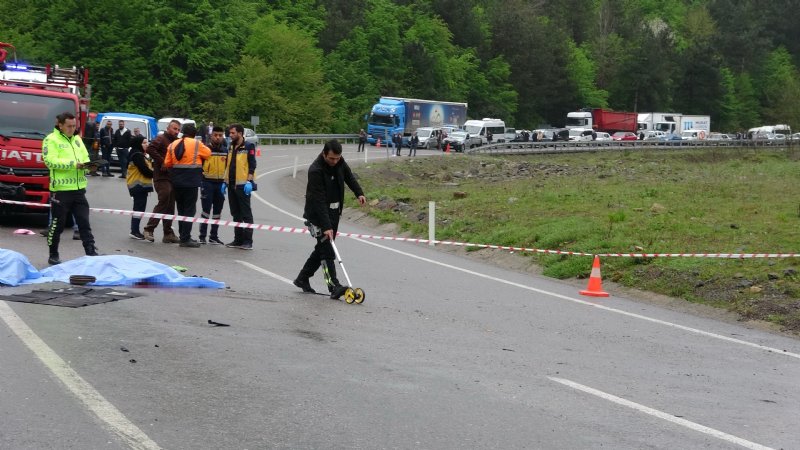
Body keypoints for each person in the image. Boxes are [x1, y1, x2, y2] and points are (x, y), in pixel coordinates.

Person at [293, 140, 367, 299]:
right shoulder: (315, 170)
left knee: (322, 248)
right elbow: (318, 201)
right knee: (327, 251)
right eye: (331, 158)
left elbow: (349, 176)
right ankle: (334, 286)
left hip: (334, 212)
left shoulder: (339, 162)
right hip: (317, 215)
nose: (334, 162)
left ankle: (302, 278)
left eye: (337, 158)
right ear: (324, 153)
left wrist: (359, 193)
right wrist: (326, 226)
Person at [42, 112, 99, 265]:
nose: (72, 129)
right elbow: (50, 161)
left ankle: (91, 252)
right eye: (69, 126)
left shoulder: (78, 139)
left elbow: (85, 159)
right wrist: (74, 164)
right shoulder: (50, 140)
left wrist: (89, 167)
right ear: (60, 125)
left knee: (84, 223)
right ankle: (53, 254)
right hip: (60, 190)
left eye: (74, 126)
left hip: (79, 190)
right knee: (57, 225)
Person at [163, 123, 211, 248]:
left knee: (181, 209)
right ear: (195, 134)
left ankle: (183, 236)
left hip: (176, 182)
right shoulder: (197, 144)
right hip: (191, 182)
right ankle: (185, 238)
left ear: (182, 132)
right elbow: (208, 154)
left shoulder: (172, 144)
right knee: (189, 211)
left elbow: (167, 163)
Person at [143, 119, 181, 243]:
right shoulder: (161, 138)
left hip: (172, 177)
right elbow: (149, 149)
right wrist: (162, 161)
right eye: (175, 129)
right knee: (164, 198)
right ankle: (149, 229)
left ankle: (168, 233)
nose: (177, 131)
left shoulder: (176, 142)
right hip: (161, 177)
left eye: (178, 130)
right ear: (168, 128)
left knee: (170, 204)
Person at [222, 124, 257, 250]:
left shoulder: (248, 146)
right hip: (231, 185)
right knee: (235, 214)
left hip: (243, 186)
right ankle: (238, 240)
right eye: (230, 133)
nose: (230, 135)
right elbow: (228, 165)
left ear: (240, 133)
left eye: (233, 133)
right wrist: (224, 182)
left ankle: (248, 241)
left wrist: (249, 181)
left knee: (246, 214)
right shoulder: (231, 146)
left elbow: (252, 165)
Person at [198, 125, 228, 245]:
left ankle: (213, 236)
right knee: (205, 211)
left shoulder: (226, 150)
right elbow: (199, 166)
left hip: (220, 184)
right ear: (211, 136)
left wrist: (226, 182)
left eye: (220, 136)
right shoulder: (205, 149)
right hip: (207, 182)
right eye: (215, 135)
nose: (218, 138)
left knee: (217, 211)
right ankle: (202, 236)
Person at [126, 135, 154, 240]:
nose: (147, 144)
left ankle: (135, 230)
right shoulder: (137, 155)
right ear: (138, 144)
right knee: (138, 209)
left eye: (147, 142)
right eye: (144, 142)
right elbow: (145, 170)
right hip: (138, 185)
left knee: (140, 209)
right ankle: (134, 231)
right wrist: (156, 174)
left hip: (140, 186)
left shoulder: (140, 154)